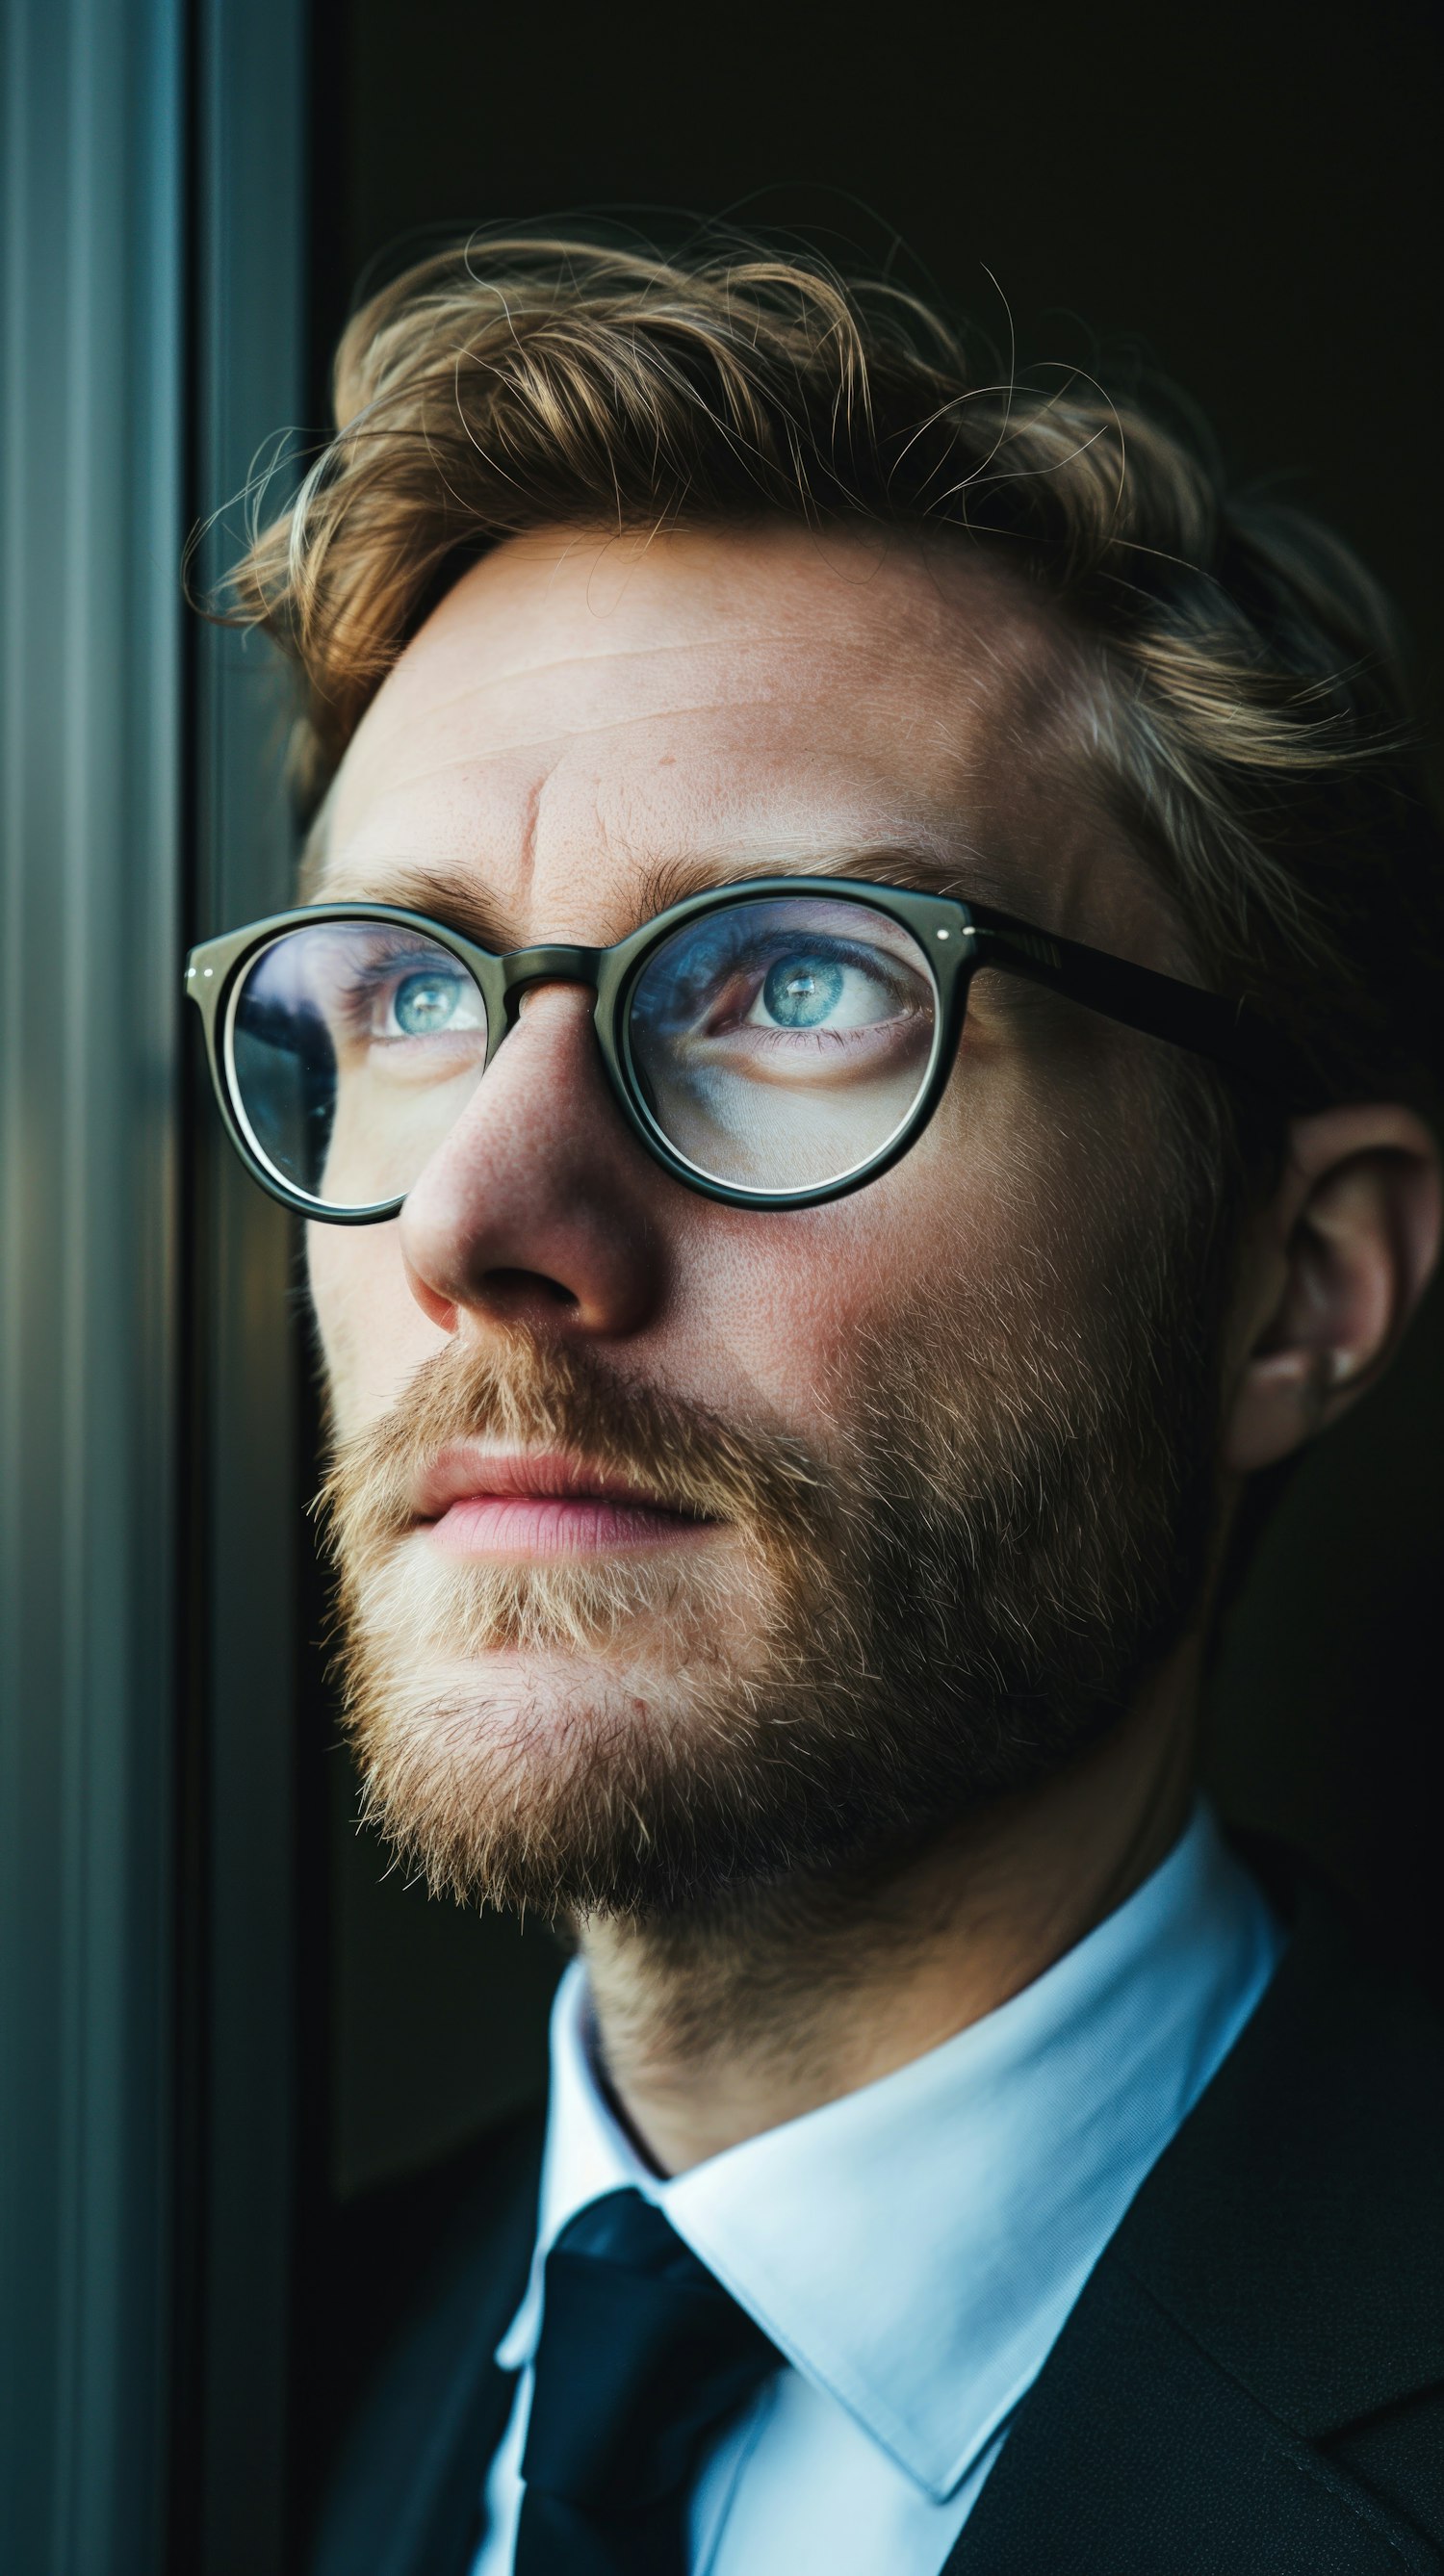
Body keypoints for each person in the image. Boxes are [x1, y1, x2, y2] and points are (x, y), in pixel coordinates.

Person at [189, 237, 1444, 2573]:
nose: (482, 1215)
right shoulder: (181, 2396)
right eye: (405, 994)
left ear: (1301, 1287)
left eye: (795, 982)